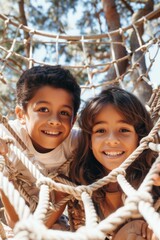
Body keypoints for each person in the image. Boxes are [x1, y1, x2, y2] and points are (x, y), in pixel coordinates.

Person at [69, 87, 159, 239]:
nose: (112, 140)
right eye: (100, 131)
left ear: (140, 138)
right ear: (90, 141)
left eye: (123, 130)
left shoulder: (154, 178)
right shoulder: (81, 189)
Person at [0, 65, 81, 229]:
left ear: (73, 121)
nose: (55, 120)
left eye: (64, 112)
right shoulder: (8, 138)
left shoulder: (77, 145)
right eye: (43, 109)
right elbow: (16, 224)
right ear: (21, 115)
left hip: (51, 214)